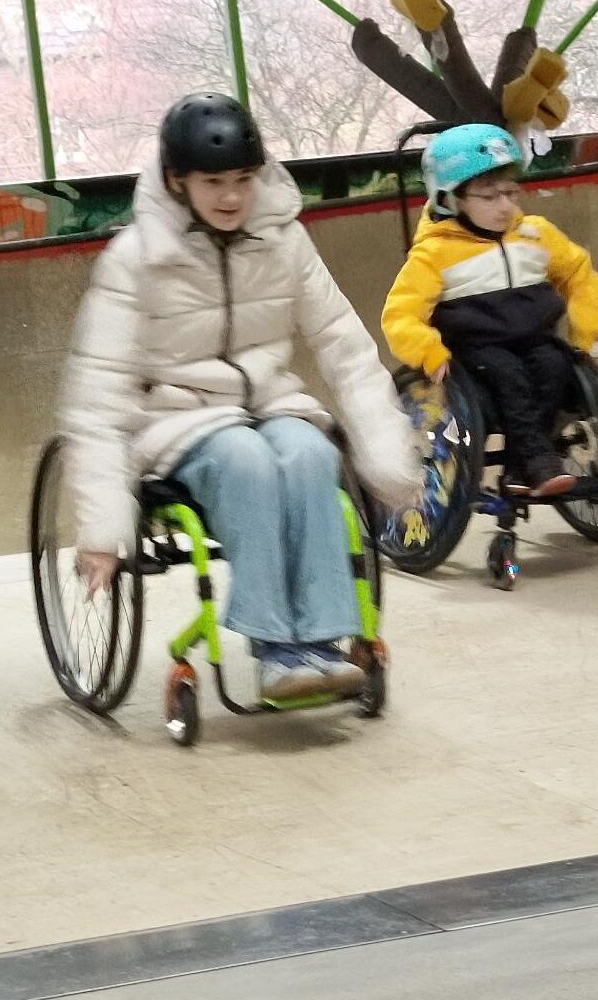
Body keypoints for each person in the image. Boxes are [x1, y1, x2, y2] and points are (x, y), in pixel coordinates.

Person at [60, 92, 422, 701]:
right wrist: (102, 531)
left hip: (270, 406)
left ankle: (324, 640)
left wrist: (388, 461)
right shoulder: (135, 260)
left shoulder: (284, 241)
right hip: (178, 424)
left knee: (310, 454)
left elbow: (346, 350)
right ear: (177, 181)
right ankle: (278, 651)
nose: (231, 197)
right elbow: (94, 397)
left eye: (243, 180)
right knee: (246, 461)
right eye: (213, 182)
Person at [381, 124, 598, 496]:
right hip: (477, 351)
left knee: (555, 365)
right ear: (450, 199)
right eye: (488, 196)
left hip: (535, 340)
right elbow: (399, 315)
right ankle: (535, 463)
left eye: (509, 193)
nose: (505, 205)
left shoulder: (536, 234)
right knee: (509, 374)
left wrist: (584, 329)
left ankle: (523, 467)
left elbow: (580, 274)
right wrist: (428, 352)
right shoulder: (434, 253)